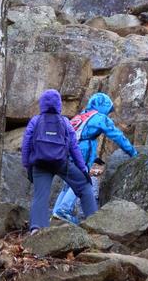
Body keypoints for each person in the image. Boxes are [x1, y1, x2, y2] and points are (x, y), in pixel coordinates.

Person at [52, 92, 138, 224]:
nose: (108, 114)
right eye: (108, 110)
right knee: (81, 180)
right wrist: (132, 152)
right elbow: (116, 135)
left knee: (68, 184)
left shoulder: (79, 117)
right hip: (80, 150)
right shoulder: (99, 118)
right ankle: (64, 210)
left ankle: (55, 214)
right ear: (103, 106)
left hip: (63, 152)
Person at [21, 89, 97, 234]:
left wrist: (27, 165)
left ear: (42, 104)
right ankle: (94, 224)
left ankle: (37, 229)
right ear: (59, 105)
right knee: (85, 186)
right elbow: (74, 147)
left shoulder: (35, 121)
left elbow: (26, 144)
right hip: (61, 162)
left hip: (39, 163)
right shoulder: (64, 122)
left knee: (40, 196)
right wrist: (83, 168)